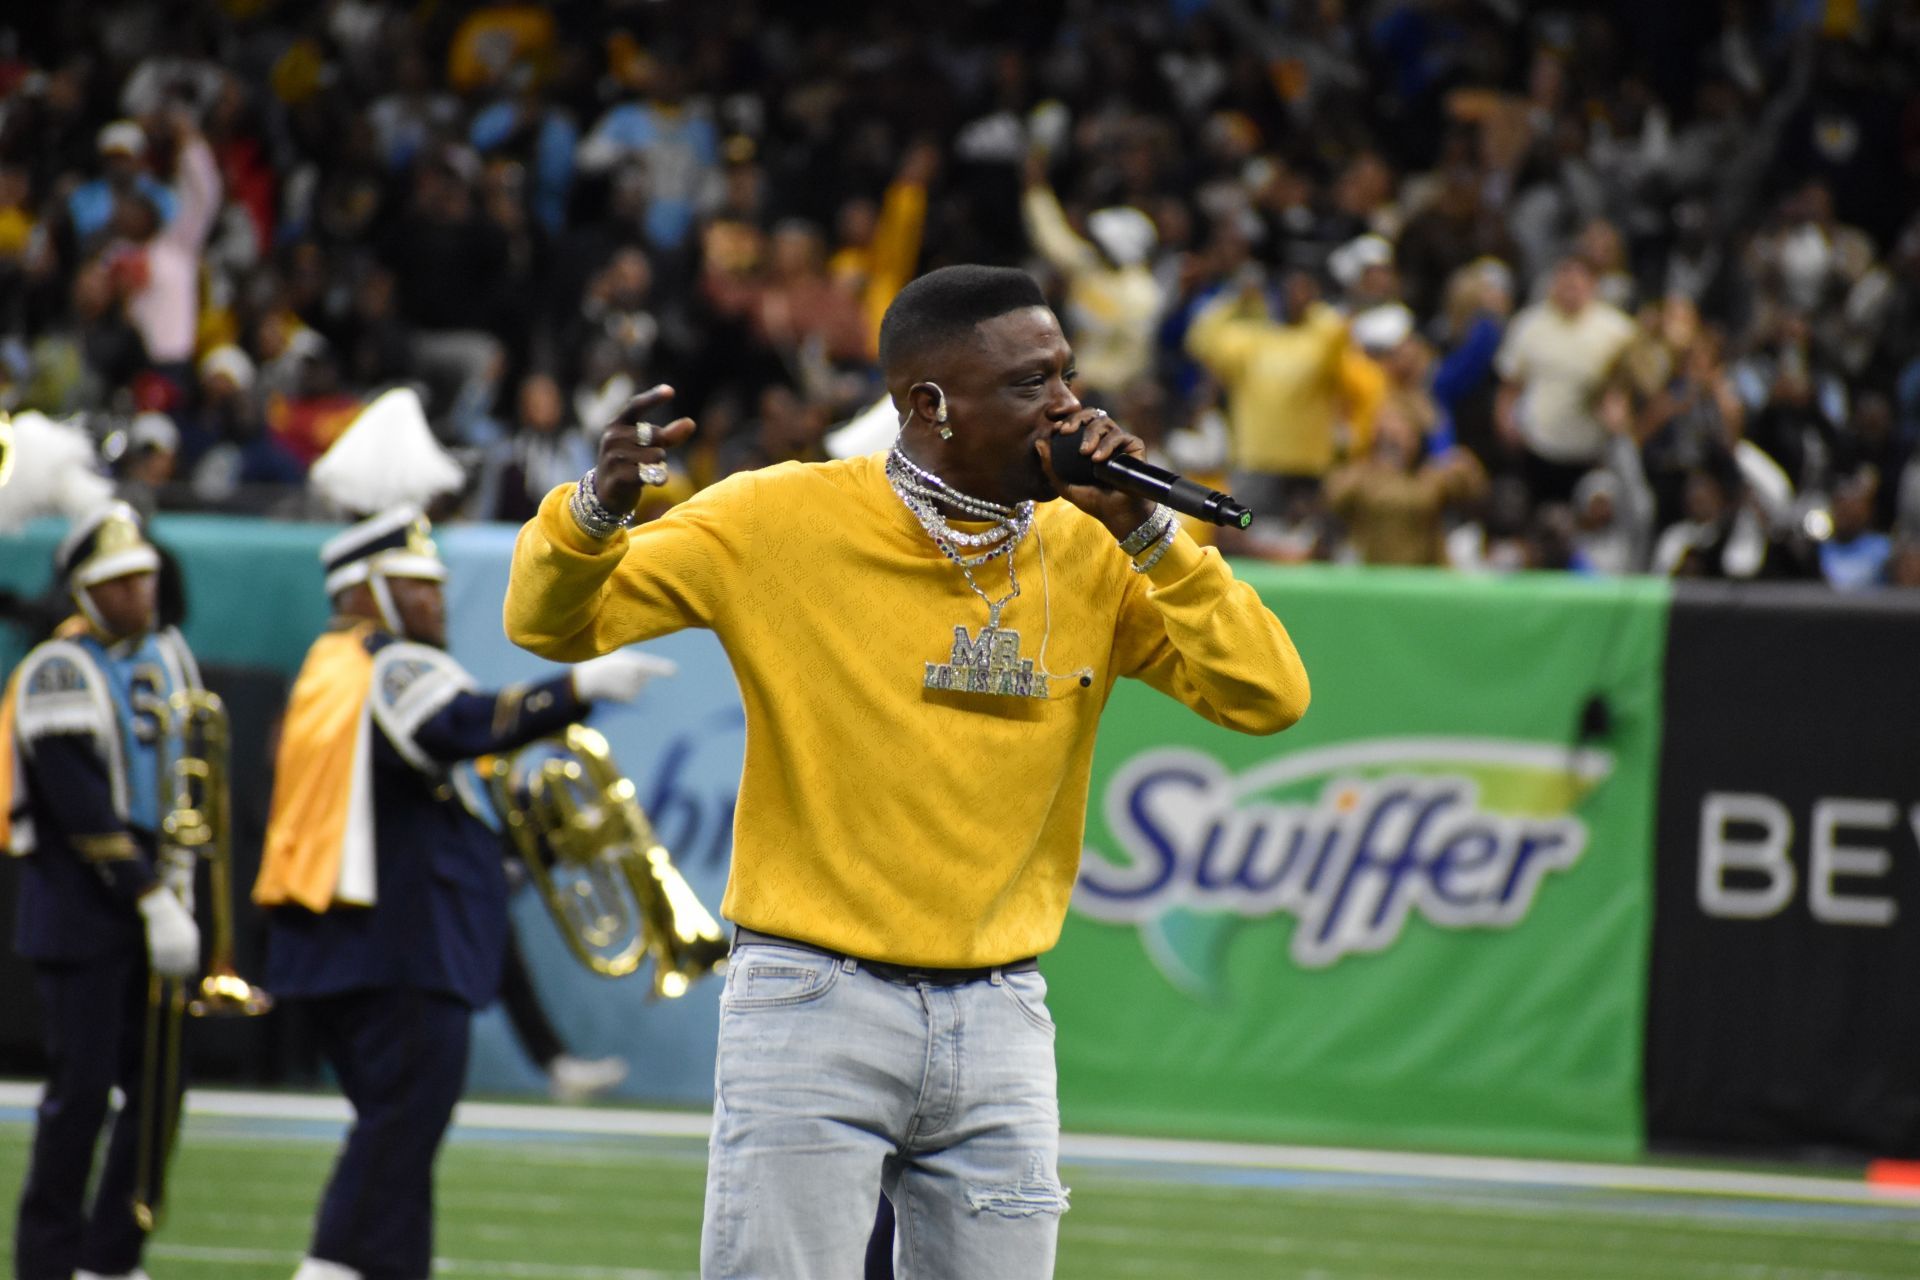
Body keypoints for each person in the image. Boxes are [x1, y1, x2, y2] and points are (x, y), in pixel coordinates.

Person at [503, 264, 1311, 1277]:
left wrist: (1151, 532)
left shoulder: (1093, 546)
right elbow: (547, 622)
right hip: (812, 998)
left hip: (1004, 1014)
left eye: (1065, 373)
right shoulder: (776, 519)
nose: (1068, 404)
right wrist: (592, 512)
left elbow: (1267, 695)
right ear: (929, 405)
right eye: (1029, 384)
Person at [253, 506, 670, 1280]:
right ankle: (330, 1264)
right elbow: (459, 724)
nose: (436, 602)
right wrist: (575, 687)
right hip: (397, 942)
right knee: (399, 1126)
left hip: (332, 941)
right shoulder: (386, 661)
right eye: (417, 587)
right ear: (368, 590)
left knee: (401, 1132)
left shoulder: (326, 669)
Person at [7, 502, 202, 1280]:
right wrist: (150, 895)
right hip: (83, 902)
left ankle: (113, 1256)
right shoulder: (57, 668)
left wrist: (185, 881)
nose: (139, 593)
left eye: (144, 576)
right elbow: (76, 799)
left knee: (158, 1089)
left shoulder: (167, 655)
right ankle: (48, 1261)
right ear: (85, 591)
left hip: (163, 882)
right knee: (81, 1092)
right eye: (119, 582)